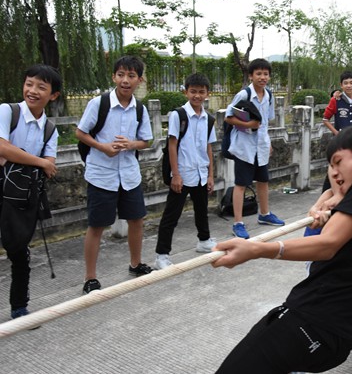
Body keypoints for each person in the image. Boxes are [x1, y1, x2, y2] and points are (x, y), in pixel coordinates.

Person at [212, 124, 352, 374]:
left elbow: (327, 245)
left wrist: (256, 249)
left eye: (338, 162)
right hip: (336, 335)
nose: (334, 173)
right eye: (330, 167)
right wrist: (332, 200)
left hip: (312, 321)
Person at [76, 55, 153, 294]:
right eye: (121, 75)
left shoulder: (139, 109)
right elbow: (81, 133)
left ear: (139, 80)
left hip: (129, 175)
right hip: (102, 175)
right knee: (97, 226)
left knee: (136, 221)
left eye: (131, 76)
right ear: (113, 77)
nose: (125, 80)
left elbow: (146, 141)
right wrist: (103, 147)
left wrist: (131, 144)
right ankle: (90, 278)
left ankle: (135, 264)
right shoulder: (98, 104)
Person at [0, 65, 60, 320]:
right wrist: (37, 161)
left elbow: (51, 167)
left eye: (41, 87)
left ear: (53, 95)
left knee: (19, 252)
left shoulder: (49, 129)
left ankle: (19, 307)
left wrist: (15, 156)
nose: (32, 91)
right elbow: (2, 147)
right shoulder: (7, 111)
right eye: (29, 84)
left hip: (21, 198)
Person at [154, 73, 217, 269]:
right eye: (193, 91)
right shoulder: (178, 115)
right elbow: (172, 145)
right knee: (171, 215)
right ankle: (162, 255)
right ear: (186, 92)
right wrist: (176, 174)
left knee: (202, 210)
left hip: (200, 173)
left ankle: (204, 240)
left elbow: (208, 148)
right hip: (182, 173)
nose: (197, 96)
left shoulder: (208, 119)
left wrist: (210, 175)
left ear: (207, 93)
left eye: (201, 92)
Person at [225, 58, 285, 240]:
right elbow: (228, 117)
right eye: (258, 73)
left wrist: (268, 143)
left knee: (263, 180)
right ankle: (238, 223)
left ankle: (264, 214)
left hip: (262, 146)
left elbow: (265, 122)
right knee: (241, 184)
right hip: (245, 147)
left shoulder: (269, 96)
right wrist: (248, 124)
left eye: (266, 74)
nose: (262, 77)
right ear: (251, 76)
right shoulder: (243, 95)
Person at [322, 71, 352, 135]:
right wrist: (336, 133)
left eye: (351, 83)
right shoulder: (336, 100)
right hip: (340, 138)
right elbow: (325, 119)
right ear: (341, 85)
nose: (348, 86)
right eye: (345, 83)